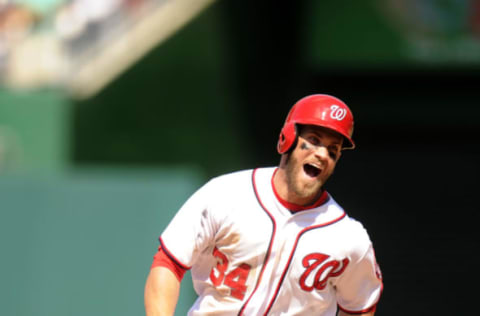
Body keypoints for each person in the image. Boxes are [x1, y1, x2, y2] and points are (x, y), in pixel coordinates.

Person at [144, 94, 383, 316]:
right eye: (314, 140)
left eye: (332, 150)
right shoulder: (226, 194)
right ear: (287, 138)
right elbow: (169, 263)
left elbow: (361, 306)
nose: (322, 154)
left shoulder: (348, 237)